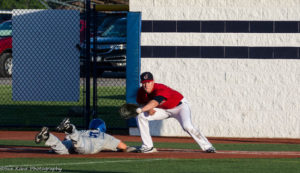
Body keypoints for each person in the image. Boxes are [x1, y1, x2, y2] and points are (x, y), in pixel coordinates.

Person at [134, 72, 216, 153]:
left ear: (153, 82)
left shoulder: (161, 88)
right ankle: (148, 146)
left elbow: (155, 102)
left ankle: (208, 146)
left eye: (149, 82)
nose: (146, 85)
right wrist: (148, 109)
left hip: (180, 107)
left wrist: (142, 109)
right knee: (141, 116)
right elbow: (142, 102)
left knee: (187, 126)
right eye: (144, 83)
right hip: (164, 110)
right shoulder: (141, 92)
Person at [35, 118, 131, 154]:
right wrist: (124, 149)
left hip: (75, 138)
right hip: (88, 145)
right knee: (80, 145)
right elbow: (123, 146)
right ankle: (70, 128)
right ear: (103, 128)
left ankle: (48, 137)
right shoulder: (104, 135)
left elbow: (66, 139)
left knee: (62, 149)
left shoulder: (84, 131)